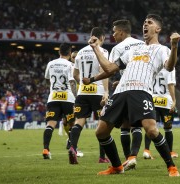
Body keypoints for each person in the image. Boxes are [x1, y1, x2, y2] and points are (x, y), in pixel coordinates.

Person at [87, 14, 180, 176]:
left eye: (149, 23)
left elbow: (170, 67)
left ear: (157, 29)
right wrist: (96, 50)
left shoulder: (162, 49)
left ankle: (171, 167)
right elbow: (110, 68)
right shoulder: (133, 50)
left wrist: (174, 46)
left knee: (151, 130)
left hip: (141, 91)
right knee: (101, 132)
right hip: (121, 92)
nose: (145, 24)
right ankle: (117, 166)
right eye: (144, 22)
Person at [83, 19, 145, 162]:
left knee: (122, 125)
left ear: (121, 32)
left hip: (126, 90)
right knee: (139, 125)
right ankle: (133, 156)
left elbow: (109, 69)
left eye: (114, 32)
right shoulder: (143, 44)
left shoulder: (118, 48)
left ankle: (127, 158)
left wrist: (92, 79)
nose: (113, 35)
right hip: (143, 87)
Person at [68, 27, 110, 164]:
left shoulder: (80, 52)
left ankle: (73, 148)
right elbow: (105, 71)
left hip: (83, 93)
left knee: (79, 121)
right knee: (103, 124)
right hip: (97, 92)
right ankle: (102, 157)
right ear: (102, 38)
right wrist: (106, 91)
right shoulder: (103, 51)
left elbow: (75, 74)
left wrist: (82, 81)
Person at [42, 43, 77, 159]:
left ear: (59, 52)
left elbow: (47, 78)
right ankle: (73, 149)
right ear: (70, 53)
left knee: (50, 124)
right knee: (72, 124)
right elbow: (72, 82)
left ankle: (46, 149)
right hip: (67, 98)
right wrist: (76, 96)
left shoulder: (50, 64)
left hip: (53, 97)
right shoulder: (70, 65)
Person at [143, 68, 178, 159]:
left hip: (152, 100)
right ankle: (170, 152)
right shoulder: (170, 68)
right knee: (168, 127)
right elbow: (170, 84)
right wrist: (174, 100)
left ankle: (147, 150)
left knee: (150, 126)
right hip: (165, 102)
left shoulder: (153, 65)